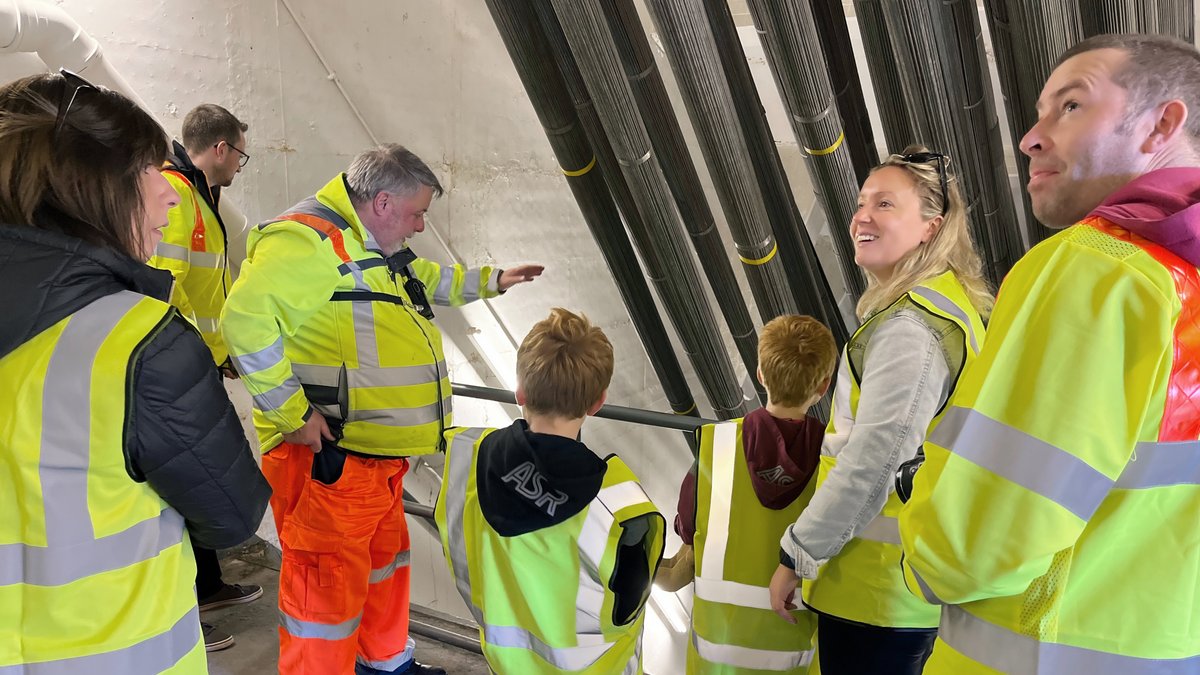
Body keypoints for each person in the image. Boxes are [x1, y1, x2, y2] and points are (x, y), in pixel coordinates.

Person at [897, 33, 1200, 674]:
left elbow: (978, 543)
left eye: (1070, 106)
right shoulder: (1185, 286)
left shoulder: (1102, 269)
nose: (1030, 138)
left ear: (1162, 125)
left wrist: (920, 559)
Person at [221, 143, 544, 675]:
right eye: (417, 213)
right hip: (334, 461)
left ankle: (387, 664)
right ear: (384, 203)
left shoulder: (366, 243)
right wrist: (294, 417)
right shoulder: (309, 244)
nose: (420, 226)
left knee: (383, 571)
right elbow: (246, 324)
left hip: (376, 460)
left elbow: (428, 280)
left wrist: (494, 281)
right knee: (322, 597)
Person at [0, 71, 270, 673]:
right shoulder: (138, 342)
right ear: (89, 188)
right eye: (150, 171)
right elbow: (231, 513)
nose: (169, 194)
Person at [766, 146, 993, 674]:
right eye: (862, 202)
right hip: (898, 586)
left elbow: (877, 460)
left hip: (877, 592)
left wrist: (797, 555)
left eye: (885, 205)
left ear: (930, 228)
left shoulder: (911, 329)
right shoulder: (946, 304)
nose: (862, 216)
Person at [435, 307, 665, 674]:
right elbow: (627, 608)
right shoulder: (622, 509)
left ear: (520, 392)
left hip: (507, 664)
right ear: (597, 402)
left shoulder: (466, 452)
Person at [655, 315, 837, 674]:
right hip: (796, 658)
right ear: (824, 386)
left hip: (715, 661)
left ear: (760, 375)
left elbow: (687, 535)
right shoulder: (837, 462)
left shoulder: (714, 447)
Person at [147, 102, 260, 652]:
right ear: (220, 148)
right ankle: (184, 614)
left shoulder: (199, 197)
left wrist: (223, 348)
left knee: (202, 477)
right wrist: (196, 353)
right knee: (186, 482)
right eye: (240, 152)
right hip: (178, 366)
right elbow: (162, 290)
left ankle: (208, 585)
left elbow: (204, 293)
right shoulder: (176, 197)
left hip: (199, 359)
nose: (240, 163)